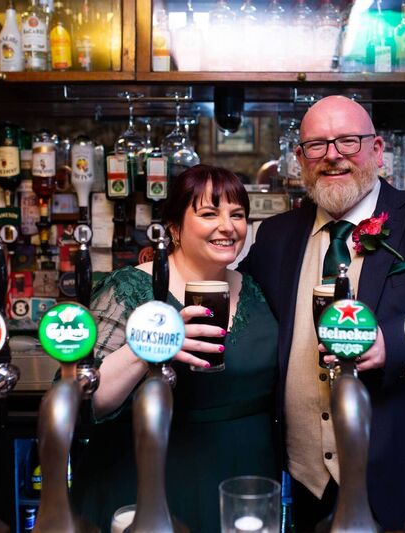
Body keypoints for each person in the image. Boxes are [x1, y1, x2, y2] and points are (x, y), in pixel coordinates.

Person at [239, 95, 405, 531]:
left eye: (348, 141)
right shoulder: (276, 235)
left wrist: (392, 344)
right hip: (308, 483)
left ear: (377, 150)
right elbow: (239, 303)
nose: (333, 155)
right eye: (317, 145)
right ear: (300, 159)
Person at [71, 165, 279, 533]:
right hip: (148, 480)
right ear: (174, 228)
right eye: (209, 213)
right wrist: (152, 345)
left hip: (244, 478)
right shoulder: (131, 288)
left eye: (238, 215)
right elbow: (88, 399)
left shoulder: (256, 288)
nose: (227, 227)